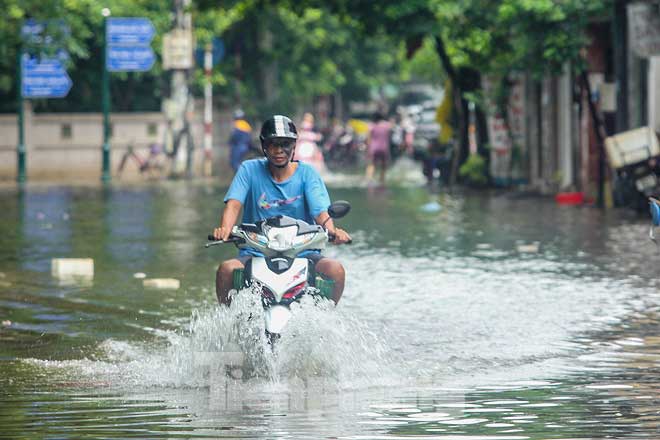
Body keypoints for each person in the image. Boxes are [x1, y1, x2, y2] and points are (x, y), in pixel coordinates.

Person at [213, 115, 351, 306]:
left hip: (302, 252)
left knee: (336, 270)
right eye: (273, 144)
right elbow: (234, 204)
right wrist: (225, 229)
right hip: (256, 251)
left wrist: (333, 232)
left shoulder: (307, 174)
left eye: (285, 144)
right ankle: (228, 320)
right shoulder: (248, 169)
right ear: (264, 146)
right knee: (226, 270)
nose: (279, 150)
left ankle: (324, 316)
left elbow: (321, 213)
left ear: (293, 146)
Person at [365, 112, 392, 184]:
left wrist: (367, 148)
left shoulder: (371, 125)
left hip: (373, 148)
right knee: (384, 165)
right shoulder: (386, 125)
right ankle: (382, 179)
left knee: (371, 164)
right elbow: (390, 134)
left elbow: (368, 138)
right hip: (384, 147)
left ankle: (369, 180)